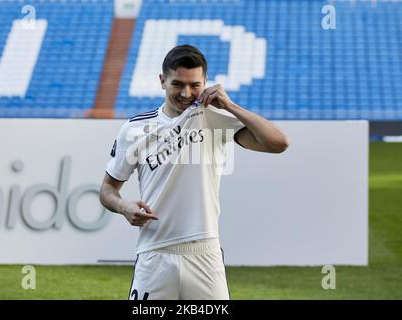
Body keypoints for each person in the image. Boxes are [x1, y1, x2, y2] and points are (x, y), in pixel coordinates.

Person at [99, 44, 289, 300]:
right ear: (162, 81)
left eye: (195, 85)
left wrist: (231, 106)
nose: (186, 93)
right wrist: (123, 207)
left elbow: (278, 143)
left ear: (206, 83)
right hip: (155, 253)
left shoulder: (214, 118)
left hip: (205, 253)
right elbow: (107, 190)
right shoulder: (134, 129)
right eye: (177, 84)